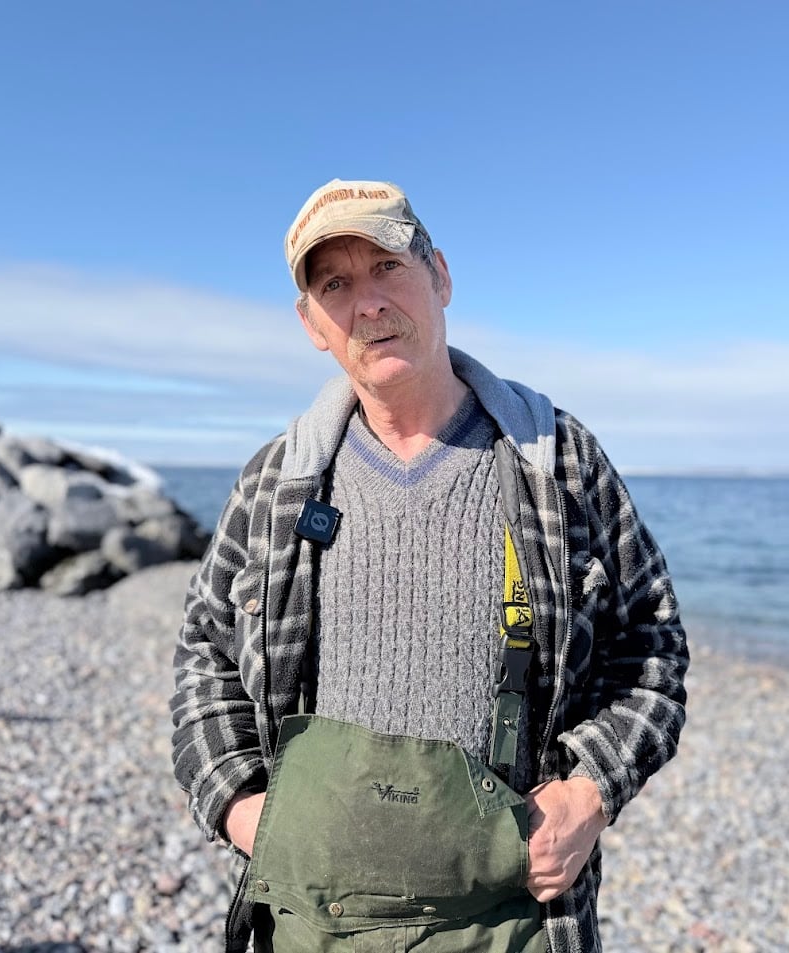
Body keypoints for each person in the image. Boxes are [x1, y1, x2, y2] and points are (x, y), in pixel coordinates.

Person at [170, 179, 689, 953]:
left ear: (440, 275)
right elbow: (203, 656)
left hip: (513, 922)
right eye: (334, 284)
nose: (368, 303)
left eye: (386, 266)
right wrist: (239, 804)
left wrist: (590, 790)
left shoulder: (557, 460)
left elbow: (650, 645)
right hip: (312, 924)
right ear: (312, 322)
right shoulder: (275, 482)